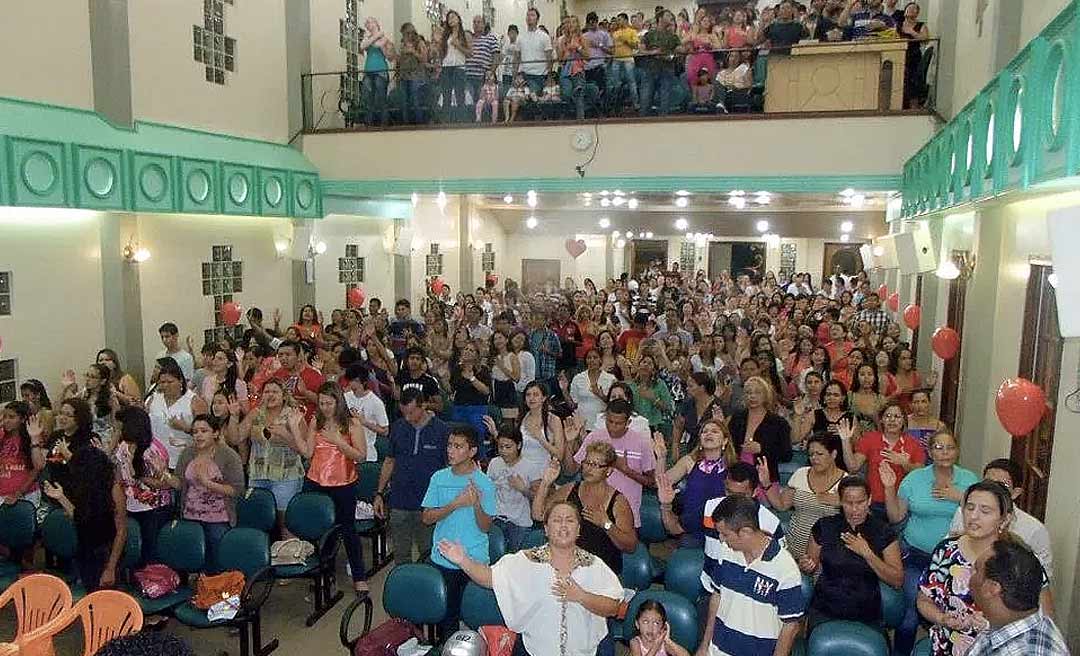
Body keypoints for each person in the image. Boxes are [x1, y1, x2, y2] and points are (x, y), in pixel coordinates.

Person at [437, 501, 623, 656]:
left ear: (578, 530)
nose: (564, 526)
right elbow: (489, 578)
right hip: (534, 650)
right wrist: (463, 560)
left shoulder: (593, 565)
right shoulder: (526, 560)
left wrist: (581, 596)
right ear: (546, 529)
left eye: (570, 521)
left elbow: (613, 607)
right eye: (557, 520)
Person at [918, 481, 1053, 656]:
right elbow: (923, 600)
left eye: (985, 511)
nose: (973, 516)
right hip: (947, 647)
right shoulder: (946, 551)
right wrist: (941, 618)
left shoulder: (1021, 561)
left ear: (1005, 518)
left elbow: (1045, 617)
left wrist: (994, 626)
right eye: (970, 507)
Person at [883, 430, 979, 656]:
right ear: (929, 452)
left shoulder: (970, 480)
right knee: (909, 614)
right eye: (938, 447)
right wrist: (889, 487)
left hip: (956, 561)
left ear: (957, 451)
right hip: (917, 555)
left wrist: (960, 498)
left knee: (956, 614)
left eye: (950, 447)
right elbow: (896, 516)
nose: (945, 452)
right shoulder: (915, 479)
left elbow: (983, 515)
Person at [698, 495, 805, 656]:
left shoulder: (785, 568)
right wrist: (704, 646)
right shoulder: (725, 552)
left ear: (746, 532)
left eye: (725, 535)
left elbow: (790, 626)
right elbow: (716, 597)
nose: (721, 539)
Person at [802, 475, 903, 629]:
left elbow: (897, 580)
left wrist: (867, 553)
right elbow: (810, 565)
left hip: (866, 610)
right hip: (825, 606)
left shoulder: (883, 531)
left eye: (860, 502)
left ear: (869, 500)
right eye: (849, 503)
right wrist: (806, 565)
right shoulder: (825, 526)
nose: (855, 509)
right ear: (841, 502)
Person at [422, 424, 495, 637]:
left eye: (458, 446)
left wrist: (476, 503)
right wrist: (455, 504)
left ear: (472, 451)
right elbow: (426, 518)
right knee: (447, 621)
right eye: (449, 445)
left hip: (473, 560)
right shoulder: (439, 478)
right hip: (443, 559)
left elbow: (485, 527)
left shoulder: (485, 483)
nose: (450, 451)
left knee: (474, 622)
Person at [298, 383, 368, 594]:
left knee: (347, 530)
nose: (325, 407)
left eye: (329, 403)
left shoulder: (351, 423)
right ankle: (324, 574)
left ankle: (359, 576)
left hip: (343, 482)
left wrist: (338, 441)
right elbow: (308, 453)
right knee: (320, 530)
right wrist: (293, 429)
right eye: (321, 403)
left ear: (338, 402)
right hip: (316, 480)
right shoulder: (315, 421)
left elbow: (361, 456)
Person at [534, 441, 637, 575]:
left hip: (602, 573)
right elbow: (538, 515)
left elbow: (630, 546)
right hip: (569, 568)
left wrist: (606, 524)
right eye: (586, 463)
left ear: (609, 470)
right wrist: (546, 483)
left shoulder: (618, 501)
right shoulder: (569, 489)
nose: (588, 469)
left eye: (595, 465)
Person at [375, 388, 450, 563]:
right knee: (401, 554)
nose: (407, 417)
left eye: (411, 412)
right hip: (400, 502)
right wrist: (379, 493)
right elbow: (389, 461)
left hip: (429, 505)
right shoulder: (399, 427)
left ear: (423, 405)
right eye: (403, 413)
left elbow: (449, 467)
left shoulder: (442, 430)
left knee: (429, 554)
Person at [159, 414, 244, 569]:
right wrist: (164, 473)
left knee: (216, 565)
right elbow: (179, 484)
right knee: (188, 562)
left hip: (218, 519)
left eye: (203, 431)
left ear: (216, 433)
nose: (198, 435)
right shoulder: (188, 454)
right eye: (195, 431)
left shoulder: (228, 456)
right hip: (189, 515)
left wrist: (207, 483)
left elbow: (237, 490)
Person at [949, 458, 1053, 578]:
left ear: (1015, 493)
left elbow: (1043, 577)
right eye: (988, 482)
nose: (992, 488)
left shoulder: (1034, 529)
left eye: (1001, 484)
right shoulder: (963, 513)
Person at [967, 539, 1069, 656]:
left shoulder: (1025, 652)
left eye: (976, 570)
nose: (970, 573)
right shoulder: (1007, 623)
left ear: (992, 588)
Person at [756, 433, 845, 561]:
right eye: (811, 454)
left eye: (819, 454)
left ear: (834, 454)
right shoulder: (801, 473)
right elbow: (781, 505)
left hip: (825, 557)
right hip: (792, 552)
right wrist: (766, 483)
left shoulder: (846, 483)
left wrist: (841, 501)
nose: (814, 458)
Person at [568, 399, 655, 527]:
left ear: (628, 422)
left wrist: (626, 470)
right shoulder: (594, 437)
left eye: (618, 423)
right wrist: (568, 443)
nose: (613, 427)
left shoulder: (641, 443)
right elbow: (571, 469)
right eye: (609, 421)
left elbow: (651, 482)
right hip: (590, 512)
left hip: (625, 515)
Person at [235, 379, 307, 535]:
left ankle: (289, 555)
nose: (270, 395)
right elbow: (237, 438)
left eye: (275, 391)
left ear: (283, 396)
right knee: (258, 521)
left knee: (285, 524)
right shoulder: (255, 414)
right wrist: (234, 416)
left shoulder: (294, 415)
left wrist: (286, 435)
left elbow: (305, 450)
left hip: (286, 476)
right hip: (258, 474)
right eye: (267, 392)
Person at [655, 418, 736, 548]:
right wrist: (661, 457)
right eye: (705, 432)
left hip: (722, 532)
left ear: (725, 441)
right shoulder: (689, 461)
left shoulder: (734, 468)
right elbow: (661, 482)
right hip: (691, 530)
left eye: (714, 431)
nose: (708, 434)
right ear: (700, 440)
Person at [838, 401, 925, 515]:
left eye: (897, 416)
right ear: (881, 420)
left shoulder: (913, 443)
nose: (892, 420)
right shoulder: (870, 439)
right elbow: (853, 467)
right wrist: (845, 441)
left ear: (904, 420)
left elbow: (921, 475)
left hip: (902, 503)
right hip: (874, 503)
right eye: (887, 416)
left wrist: (905, 464)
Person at [112, 406, 172, 565]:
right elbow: (119, 474)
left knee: (150, 551)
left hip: (153, 509)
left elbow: (166, 484)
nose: (119, 430)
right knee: (131, 546)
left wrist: (140, 478)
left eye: (122, 426)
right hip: (131, 504)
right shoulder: (124, 446)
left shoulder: (153, 450)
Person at [486, 420, 543, 552]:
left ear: (518, 445)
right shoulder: (494, 463)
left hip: (519, 523)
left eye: (508, 447)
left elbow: (539, 499)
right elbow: (487, 492)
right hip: (496, 519)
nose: (504, 451)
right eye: (501, 447)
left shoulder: (531, 467)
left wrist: (523, 489)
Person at [727, 376, 792, 484]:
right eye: (748, 392)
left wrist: (761, 449)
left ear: (766, 395)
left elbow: (786, 454)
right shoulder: (737, 418)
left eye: (758, 392)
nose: (752, 396)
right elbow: (728, 445)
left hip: (766, 479)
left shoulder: (778, 423)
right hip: (737, 477)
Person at [146, 360, 204, 470]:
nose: (166, 385)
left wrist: (185, 428)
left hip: (183, 459)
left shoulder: (194, 401)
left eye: (170, 382)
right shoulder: (154, 398)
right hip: (156, 459)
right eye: (162, 382)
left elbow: (207, 431)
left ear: (180, 381)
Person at [1, 401, 46, 506]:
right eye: (4, 417)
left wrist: (19, 493)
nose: (6, 420)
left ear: (22, 419)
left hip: (26, 495)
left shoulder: (31, 437)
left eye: (11, 417)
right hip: (2, 494)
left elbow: (37, 468)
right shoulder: (2, 435)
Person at [639, 10, 682, 116]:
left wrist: (672, 55)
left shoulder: (673, 37)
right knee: (645, 100)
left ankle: (663, 125)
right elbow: (641, 51)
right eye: (668, 15)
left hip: (667, 70)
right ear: (660, 18)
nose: (671, 17)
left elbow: (680, 50)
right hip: (650, 70)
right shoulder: (649, 34)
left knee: (665, 101)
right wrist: (653, 52)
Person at [343, 363, 388, 462]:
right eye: (350, 380)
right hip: (346, 453)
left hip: (368, 454)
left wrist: (364, 422)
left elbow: (385, 431)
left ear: (362, 382)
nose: (351, 383)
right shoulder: (345, 397)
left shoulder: (376, 402)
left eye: (354, 380)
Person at [272, 340, 326, 421]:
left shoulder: (314, 376)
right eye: (280, 355)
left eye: (288, 355)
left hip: (307, 422)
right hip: (281, 421)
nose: (283, 358)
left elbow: (325, 402)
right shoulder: (277, 374)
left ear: (298, 357)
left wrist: (305, 392)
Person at [569, 349, 615, 432]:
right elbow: (572, 405)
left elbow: (615, 404)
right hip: (582, 424)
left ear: (600, 359)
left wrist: (601, 396)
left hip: (602, 424)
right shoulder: (578, 378)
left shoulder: (610, 379)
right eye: (589, 358)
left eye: (595, 357)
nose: (592, 360)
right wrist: (564, 390)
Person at [360, 18, 394, 126]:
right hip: (368, 70)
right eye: (367, 23)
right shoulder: (371, 37)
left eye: (370, 22)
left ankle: (384, 123)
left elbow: (379, 46)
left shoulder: (384, 38)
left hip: (380, 71)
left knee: (381, 98)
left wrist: (378, 38)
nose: (368, 24)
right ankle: (369, 124)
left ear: (376, 23)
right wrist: (377, 35)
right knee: (368, 98)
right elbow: (363, 46)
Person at [515, 7, 555, 94]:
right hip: (524, 75)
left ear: (537, 19)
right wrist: (515, 76)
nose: (529, 17)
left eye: (532, 15)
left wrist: (549, 77)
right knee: (511, 99)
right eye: (528, 15)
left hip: (539, 76)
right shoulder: (520, 37)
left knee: (531, 95)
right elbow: (516, 58)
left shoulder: (544, 36)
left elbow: (549, 58)